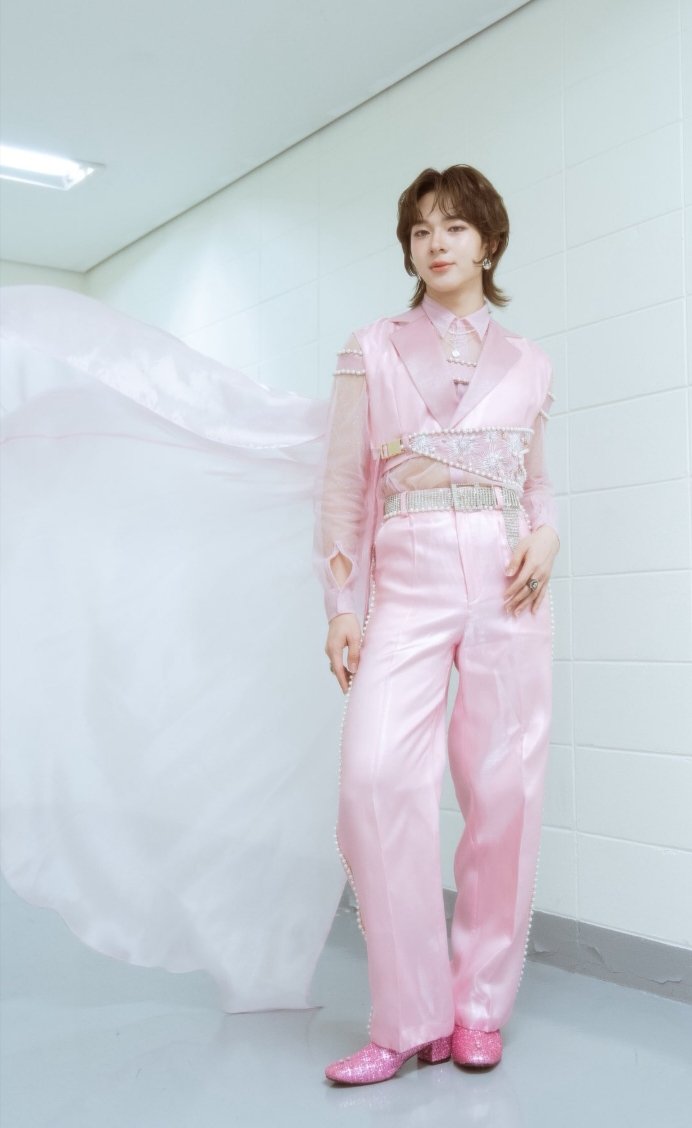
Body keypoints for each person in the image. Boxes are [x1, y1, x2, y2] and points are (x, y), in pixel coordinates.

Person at [313, 164, 560, 1085]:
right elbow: (343, 487)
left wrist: (548, 534)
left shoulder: (529, 360)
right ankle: (408, 1017)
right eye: (421, 230)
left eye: (455, 227)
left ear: (487, 242)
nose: (436, 243)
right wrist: (343, 607)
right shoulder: (371, 347)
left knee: (505, 793)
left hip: (506, 582)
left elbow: (536, 482)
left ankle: (479, 1008)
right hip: (407, 581)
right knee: (374, 780)